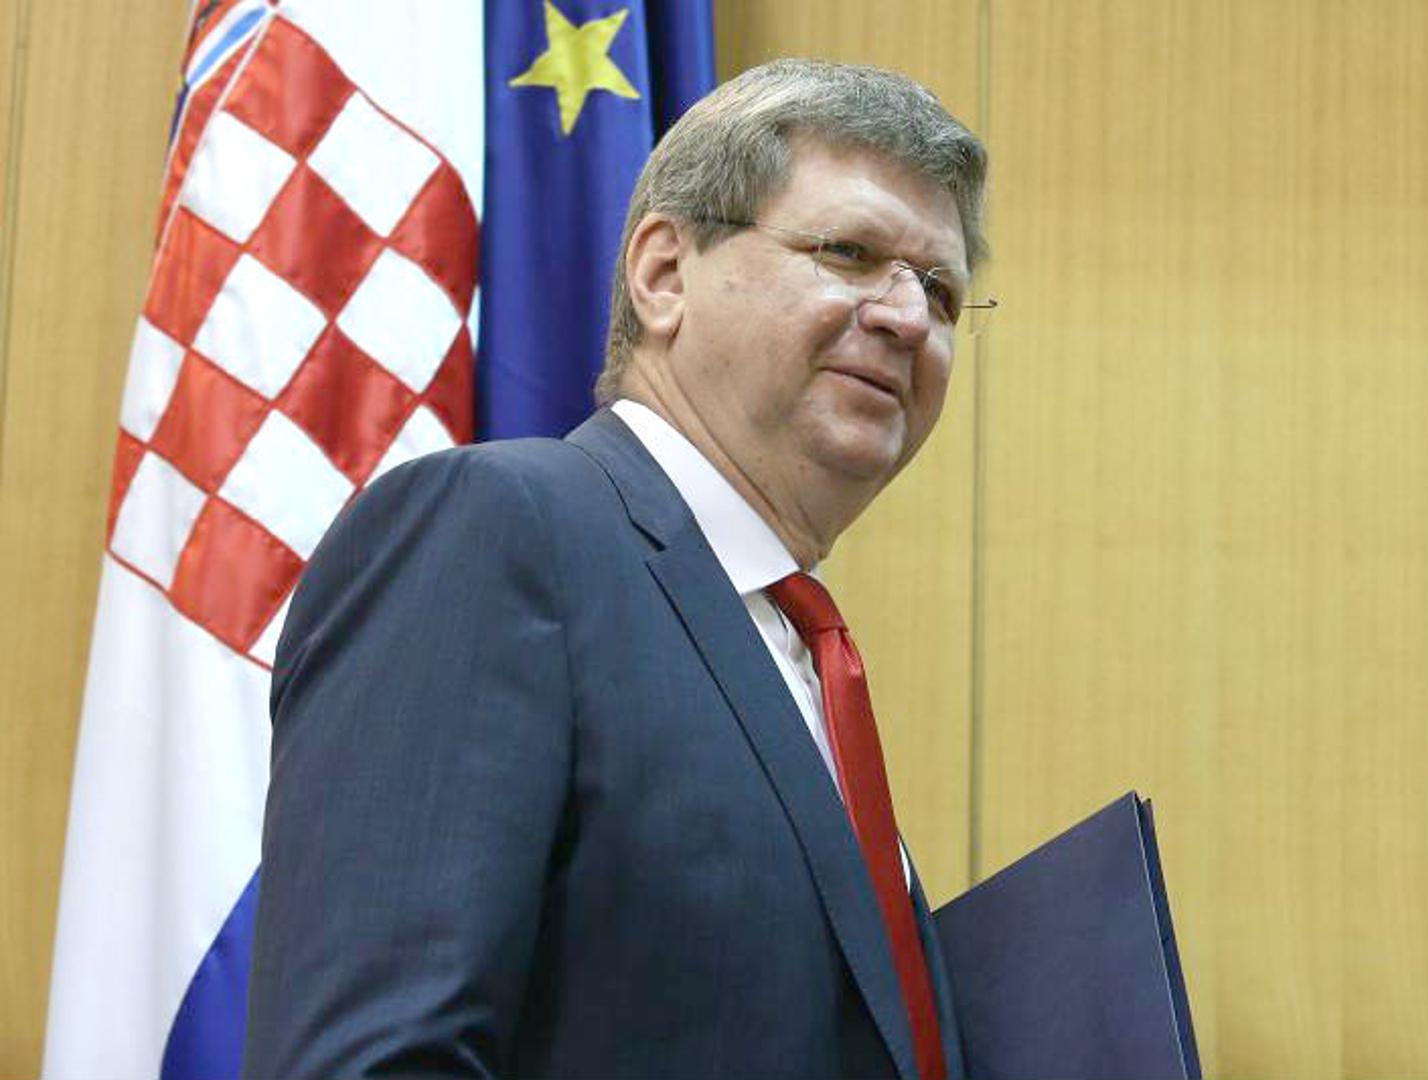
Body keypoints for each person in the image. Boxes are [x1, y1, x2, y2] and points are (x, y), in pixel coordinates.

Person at [243, 58, 990, 1078]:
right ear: (664, 274)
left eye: (941, 292)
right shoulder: (498, 532)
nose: (908, 319)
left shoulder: (796, 650)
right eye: (849, 253)